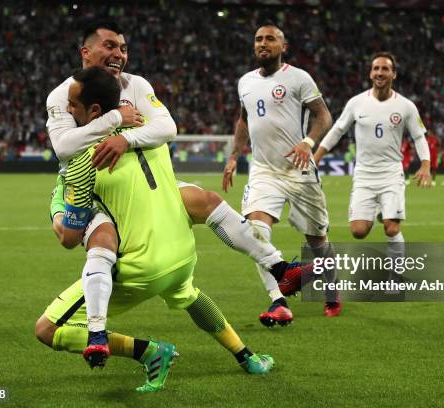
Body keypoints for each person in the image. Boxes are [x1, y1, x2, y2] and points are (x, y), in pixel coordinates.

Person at [44, 19, 309, 336]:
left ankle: (280, 268)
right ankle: (96, 328)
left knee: (205, 199)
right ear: (86, 51)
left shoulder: (136, 86)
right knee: (95, 243)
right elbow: (63, 147)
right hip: (95, 191)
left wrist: (126, 138)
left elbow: (167, 128)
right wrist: (116, 119)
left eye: (124, 49)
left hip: (144, 182)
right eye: (110, 46)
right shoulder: (62, 95)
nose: (119, 55)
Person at [36, 67, 274, 393]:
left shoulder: (85, 159)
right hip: (177, 255)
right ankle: (247, 356)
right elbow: (192, 185)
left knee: (47, 329)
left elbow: (70, 237)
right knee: (188, 294)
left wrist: (57, 212)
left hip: (135, 266)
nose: (67, 110)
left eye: (72, 105)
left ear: (93, 111)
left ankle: (148, 352)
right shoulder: (148, 131)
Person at [223, 23, 341, 323]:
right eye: (259, 39)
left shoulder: (298, 78)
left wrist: (308, 141)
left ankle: (331, 291)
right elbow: (244, 121)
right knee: (256, 232)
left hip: (299, 170)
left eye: (271, 39)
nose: (264, 43)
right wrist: (234, 155)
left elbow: (323, 115)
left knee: (317, 241)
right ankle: (278, 301)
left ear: (283, 46)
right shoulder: (245, 82)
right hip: (264, 170)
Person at [313, 52, 431, 283]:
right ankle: (382, 210)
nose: (379, 73)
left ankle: (395, 277)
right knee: (358, 231)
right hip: (364, 175)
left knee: (391, 228)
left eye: (385, 69)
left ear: (393, 74)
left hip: (391, 174)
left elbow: (419, 137)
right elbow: (338, 130)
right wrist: (317, 156)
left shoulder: (406, 106)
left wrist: (426, 163)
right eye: (376, 68)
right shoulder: (357, 103)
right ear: (370, 73)